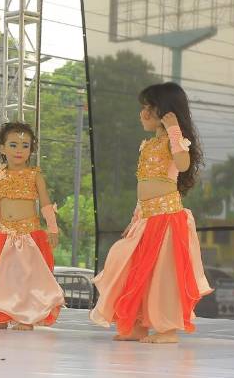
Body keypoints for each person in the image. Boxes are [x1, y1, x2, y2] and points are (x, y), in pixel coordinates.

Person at [90, 82, 212, 343]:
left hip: (167, 219)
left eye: (149, 107)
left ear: (165, 110)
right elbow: (143, 186)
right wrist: (136, 216)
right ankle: (138, 325)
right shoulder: (147, 145)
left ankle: (167, 329)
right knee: (134, 269)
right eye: (143, 107)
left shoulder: (173, 141)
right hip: (146, 218)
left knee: (162, 276)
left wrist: (174, 130)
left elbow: (182, 163)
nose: (142, 113)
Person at [0, 122, 65, 330]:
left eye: (25, 145)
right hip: (4, 234)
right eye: (14, 144)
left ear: (31, 149)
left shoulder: (34, 175)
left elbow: (45, 203)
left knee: (27, 277)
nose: (19, 150)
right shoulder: (0, 175)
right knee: (3, 278)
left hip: (29, 234)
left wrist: (52, 228)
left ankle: (26, 317)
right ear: (1, 148)